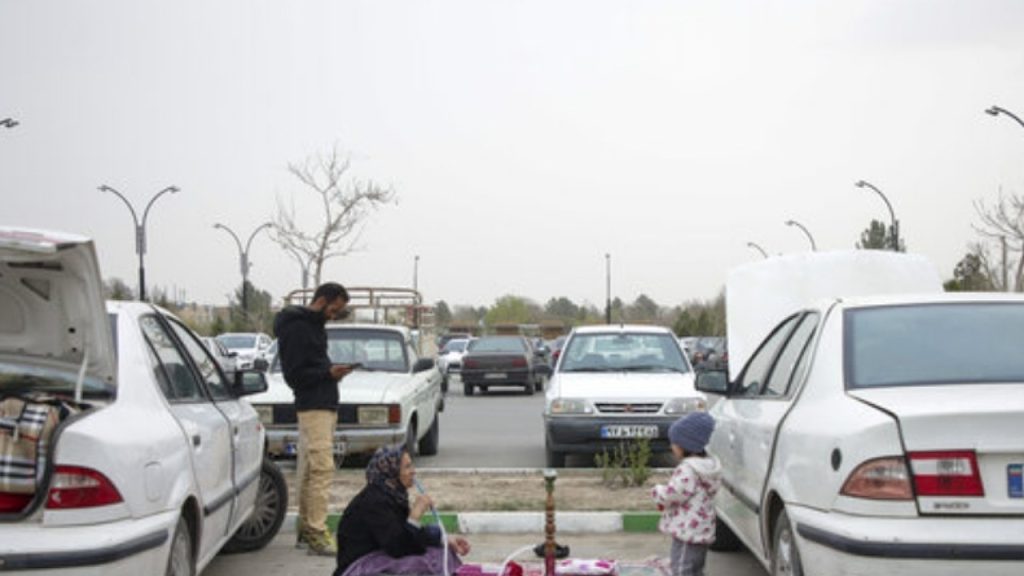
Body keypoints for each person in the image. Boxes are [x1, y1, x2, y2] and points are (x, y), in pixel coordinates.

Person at [274, 282, 353, 556]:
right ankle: (316, 532)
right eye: (333, 309)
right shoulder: (297, 327)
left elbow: (311, 365)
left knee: (311, 470)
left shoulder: (313, 326)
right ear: (322, 300)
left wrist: (330, 373)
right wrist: (327, 374)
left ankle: (307, 531)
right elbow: (295, 375)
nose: (334, 315)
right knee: (322, 469)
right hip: (313, 405)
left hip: (323, 403)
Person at [334, 446, 471, 576]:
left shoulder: (392, 495)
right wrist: (415, 515)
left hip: (379, 557)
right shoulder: (374, 502)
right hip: (359, 566)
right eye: (407, 467)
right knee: (429, 562)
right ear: (392, 471)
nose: (413, 471)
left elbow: (408, 536)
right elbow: (399, 547)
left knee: (442, 553)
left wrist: (443, 540)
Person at [651, 412, 722, 576]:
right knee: (696, 569)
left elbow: (674, 493)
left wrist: (657, 491)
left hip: (687, 532)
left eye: (674, 443)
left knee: (681, 569)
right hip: (702, 529)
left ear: (685, 445)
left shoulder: (688, 469)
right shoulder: (708, 467)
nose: (672, 447)